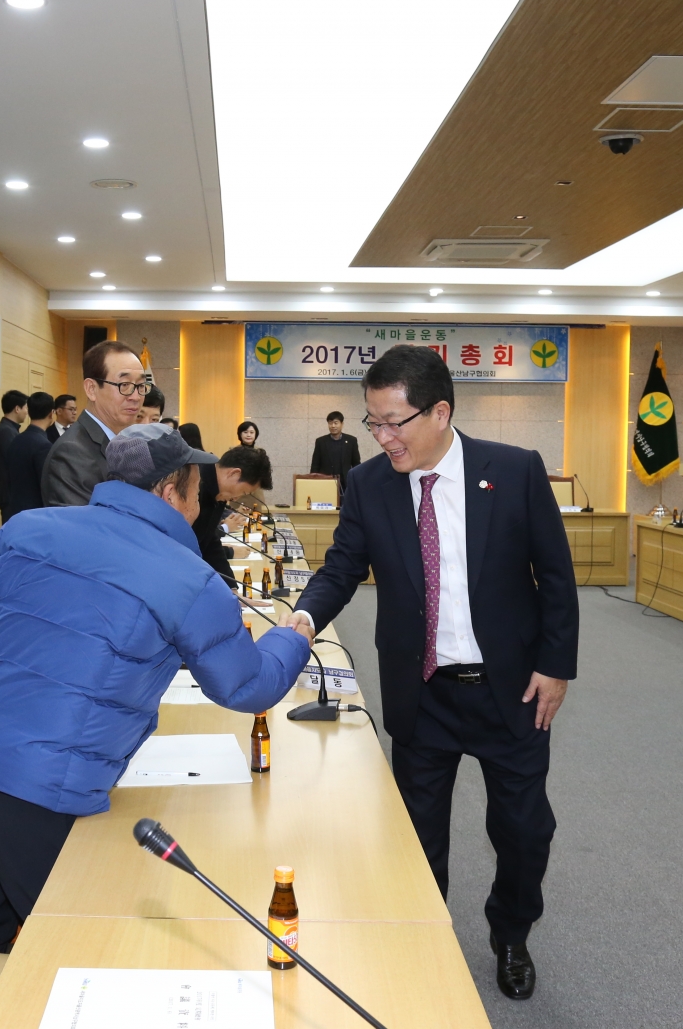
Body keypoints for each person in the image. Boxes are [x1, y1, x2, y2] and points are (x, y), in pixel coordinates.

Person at [0, 424, 312, 952]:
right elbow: (246, 686)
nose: (199, 504)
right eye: (195, 491)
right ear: (167, 490)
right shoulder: (188, 578)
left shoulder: (25, 529)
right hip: (39, 793)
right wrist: (294, 638)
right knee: (73, 949)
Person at [284, 345, 576, 1002]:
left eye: (396, 421)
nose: (383, 437)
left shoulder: (515, 470)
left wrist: (556, 665)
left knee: (525, 827)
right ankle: (426, 931)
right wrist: (303, 619)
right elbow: (341, 566)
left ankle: (512, 930)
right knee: (416, 833)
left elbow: (555, 577)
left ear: (441, 411)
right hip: (425, 689)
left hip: (513, 690)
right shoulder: (369, 483)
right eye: (373, 422)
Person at [42, 341, 146, 506]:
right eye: (124, 385)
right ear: (91, 389)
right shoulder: (72, 452)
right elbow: (83, 528)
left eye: (141, 385)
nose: (136, 397)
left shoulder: (130, 444)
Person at [192, 445, 273, 584]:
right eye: (244, 492)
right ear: (234, 474)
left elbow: (209, 540)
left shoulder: (218, 490)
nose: (237, 498)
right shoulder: (194, 481)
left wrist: (231, 588)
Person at [2, 392, 54, 518]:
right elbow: (47, 486)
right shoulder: (44, 446)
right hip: (36, 515)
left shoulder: (16, 440)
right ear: (51, 413)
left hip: (15, 511)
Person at [0, 390, 28, 521]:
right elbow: (15, 464)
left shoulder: (10, 430)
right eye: (25, 408)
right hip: (10, 496)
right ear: (17, 409)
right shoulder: (6, 432)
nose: (27, 412)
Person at [310, 411, 362, 486]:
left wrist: (357, 480)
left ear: (342, 424)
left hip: (345, 483)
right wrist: (313, 482)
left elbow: (356, 463)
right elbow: (315, 465)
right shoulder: (321, 441)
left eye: (336, 423)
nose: (333, 426)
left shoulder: (351, 441)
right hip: (325, 482)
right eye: (330, 423)